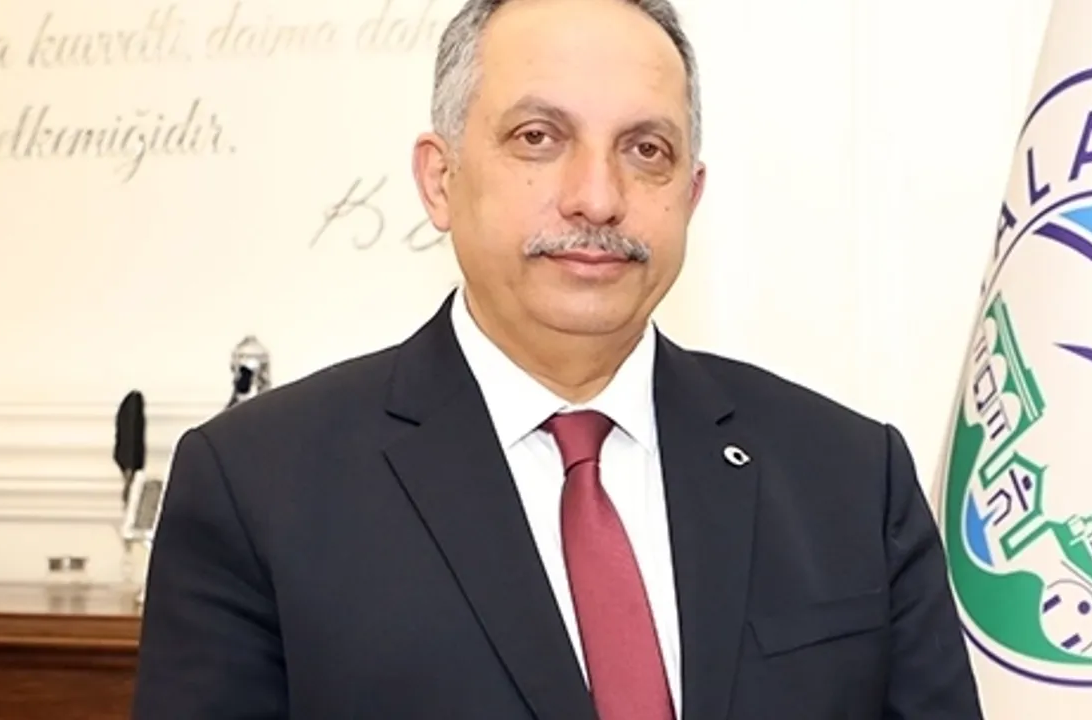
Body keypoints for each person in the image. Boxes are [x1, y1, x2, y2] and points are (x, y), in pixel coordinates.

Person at [132, 0, 984, 717]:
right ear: (440, 178)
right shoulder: (256, 488)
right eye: (539, 137)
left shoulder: (851, 476)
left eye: (645, 150)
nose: (598, 198)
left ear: (690, 195)